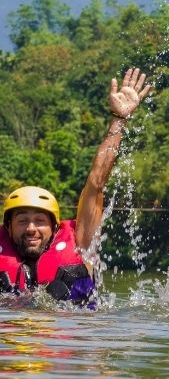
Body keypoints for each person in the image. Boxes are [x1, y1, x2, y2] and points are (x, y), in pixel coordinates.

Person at [0, 68, 151, 306]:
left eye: (39, 220)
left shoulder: (81, 241)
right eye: (21, 221)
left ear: (54, 226)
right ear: (8, 227)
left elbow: (96, 182)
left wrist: (119, 120)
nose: (31, 228)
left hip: (77, 338)